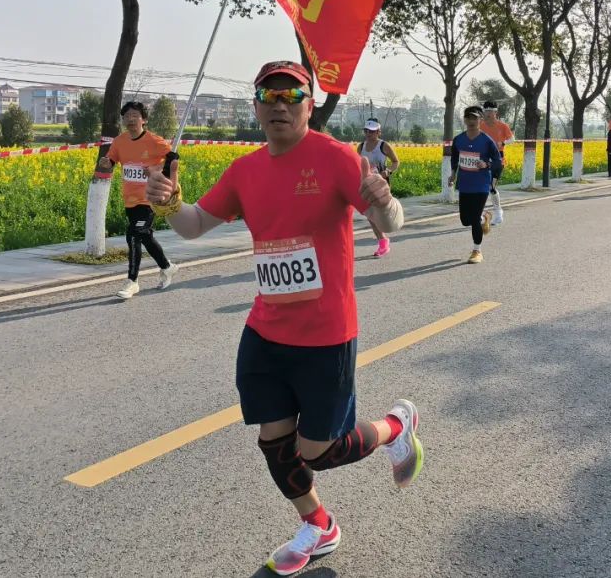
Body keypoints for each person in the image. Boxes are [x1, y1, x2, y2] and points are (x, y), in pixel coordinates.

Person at [144, 60, 422, 576]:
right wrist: (169, 203)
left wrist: (384, 202)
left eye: (290, 96)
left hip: (326, 336)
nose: (278, 105)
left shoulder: (336, 158)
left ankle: (396, 425)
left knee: (316, 452)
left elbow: (392, 221)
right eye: (267, 96)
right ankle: (319, 525)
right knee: (275, 442)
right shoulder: (246, 170)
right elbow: (195, 225)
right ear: (255, 106)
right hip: (265, 332)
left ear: (308, 106)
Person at [95, 101, 179, 299]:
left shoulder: (154, 141)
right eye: (126, 116)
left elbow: (173, 160)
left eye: (135, 116)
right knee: (145, 236)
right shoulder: (120, 142)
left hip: (150, 198)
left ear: (144, 119)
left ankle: (132, 282)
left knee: (134, 234)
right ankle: (167, 267)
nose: (130, 120)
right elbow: (112, 161)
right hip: (130, 199)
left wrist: (155, 170)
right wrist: (106, 162)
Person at [448, 105, 503, 263]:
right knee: (465, 220)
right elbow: (454, 158)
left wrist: (486, 165)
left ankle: (476, 251)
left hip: (481, 185)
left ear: (480, 120)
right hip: (464, 184)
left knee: (472, 218)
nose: (471, 121)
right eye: (468, 118)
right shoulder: (459, 140)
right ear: (464, 120)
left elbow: (497, 161)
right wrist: (453, 174)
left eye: (475, 118)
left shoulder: (486, 141)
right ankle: (483, 218)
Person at [357, 118, 400, 257]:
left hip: (382, 184)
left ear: (378, 132)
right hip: (367, 184)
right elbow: (357, 164)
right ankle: (382, 241)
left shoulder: (383, 146)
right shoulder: (361, 146)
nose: (369, 134)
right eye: (366, 131)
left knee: (380, 214)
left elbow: (395, 162)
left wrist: (387, 171)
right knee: (370, 214)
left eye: (372, 131)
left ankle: (386, 233)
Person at [480, 101, 514, 225]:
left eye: (490, 111)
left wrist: (503, 143)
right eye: (486, 111)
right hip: (483, 159)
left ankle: (498, 212)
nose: (488, 113)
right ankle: (479, 214)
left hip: (497, 159)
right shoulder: (481, 125)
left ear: (496, 112)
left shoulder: (502, 126)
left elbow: (512, 139)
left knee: (491, 187)